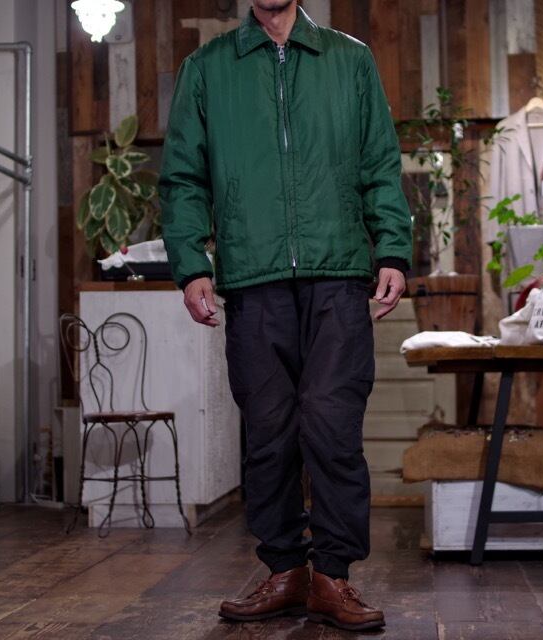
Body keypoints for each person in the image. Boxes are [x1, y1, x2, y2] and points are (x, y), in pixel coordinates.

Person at [159, 0, 412, 631]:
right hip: (253, 278)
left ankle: (332, 575)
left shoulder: (350, 60)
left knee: (332, 428)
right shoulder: (208, 68)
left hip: (338, 275)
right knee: (268, 435)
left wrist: (392, 249)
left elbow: (380, 162)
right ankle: (285, 570)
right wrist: (191, 264)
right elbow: (183, 177)